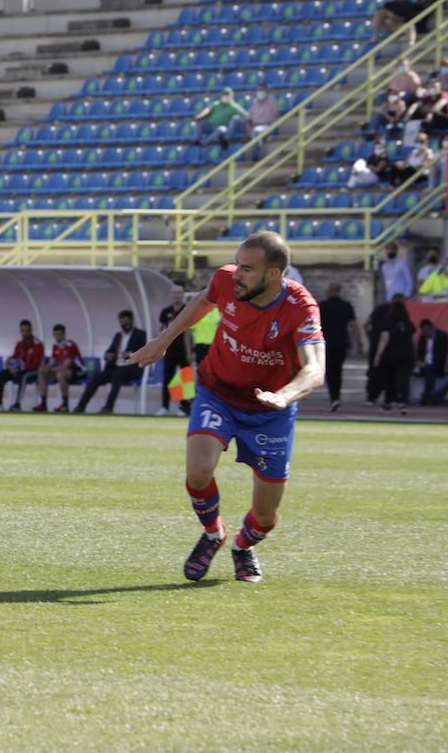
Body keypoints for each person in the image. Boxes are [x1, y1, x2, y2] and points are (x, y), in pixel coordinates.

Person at [129, 230, 324, 584]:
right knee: (198, 470)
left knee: (265, 515)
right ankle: (212, 533)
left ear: (273, 275)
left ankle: (242, 546)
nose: (236, 274)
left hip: (271, 410)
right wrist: (163, 339)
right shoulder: (226, 280)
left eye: (247, 269)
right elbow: (204, 300)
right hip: (217, 392)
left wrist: (286, 395)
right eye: (237, 263)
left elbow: (315, 369)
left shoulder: (300, 306)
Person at [75, 310, 147, 414]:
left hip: (132, 368)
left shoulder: (141, 335)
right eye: (122, 322)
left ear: (131, 321)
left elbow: (144, 351)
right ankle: (80, 406)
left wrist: (131, 354)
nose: (124, 324)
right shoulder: (118, 336)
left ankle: (109, 407)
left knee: (117, 375)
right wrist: (107, 355)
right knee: (97, 377)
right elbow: (111, 350)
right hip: (115, 367)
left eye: (126, 322)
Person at [318, 282, 363, 412]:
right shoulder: (346, 306)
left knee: (330, 371)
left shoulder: (323, 306)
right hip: (342, 342)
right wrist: (359, 342)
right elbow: (354, 326)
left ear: (330, 290)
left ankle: (334, 397)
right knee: (338, 370)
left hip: (327, 343)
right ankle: (336, 396)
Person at [371, 298, 415, 414]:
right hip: (406, 355)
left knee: (390, 380)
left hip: (391, 355)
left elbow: (384, 339)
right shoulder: (409, 324)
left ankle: (388, 403)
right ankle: (403, 403)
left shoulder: (388, 322)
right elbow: (414, 341)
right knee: (403, 380)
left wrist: (377, 355)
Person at [156, 286, 194, 417]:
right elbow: (160, 331)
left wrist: (189, 352)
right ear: (171, 295)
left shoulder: (187, 310)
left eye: (179, 293)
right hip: (169, 350)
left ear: (182, 295)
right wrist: (160, 347)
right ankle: (164, 407)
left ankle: (183, 408)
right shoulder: (165, 311)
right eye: (174, 293)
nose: (177, 295)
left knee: (185, 378)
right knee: (167, 378)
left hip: (183, 349)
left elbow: (188, 332)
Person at [0, 319, 44, 411]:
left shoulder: (37, 344)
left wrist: (20, 368)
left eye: (27, 331)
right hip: (20, 370)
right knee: (1, 374)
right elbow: (15, 357)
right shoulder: (19, 344)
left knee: (23, 375)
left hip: (34, 372)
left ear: (31, 330)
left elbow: (35, 364)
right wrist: (9, 362)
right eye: (23, 331)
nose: (25, 333)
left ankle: (17, 404)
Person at [34, 323, 83, 413]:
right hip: (64, 371)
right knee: (42, 373)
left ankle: (65, 405)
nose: (58, 337)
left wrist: (50, 369)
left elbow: (66, 366)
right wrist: (45, 368)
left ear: (64, 334)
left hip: (78, 372)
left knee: (60, 374)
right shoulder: (55, 346)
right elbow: (52, 362)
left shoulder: (70, 345)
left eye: (60, 334)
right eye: (56, 335)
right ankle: (43, 404)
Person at [413, 318, 448, 404]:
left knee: (430, 369)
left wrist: (429, 363)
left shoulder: (442, 336)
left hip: (437, 364)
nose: (425, 334)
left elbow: (442, 354)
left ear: (432, 328)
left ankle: (427, 396)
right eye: (423, 332)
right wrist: (419, 361)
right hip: (425, 364)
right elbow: (420, 352)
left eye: (427, 331)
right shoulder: (423, 337)